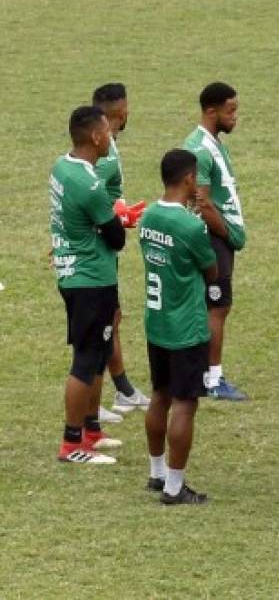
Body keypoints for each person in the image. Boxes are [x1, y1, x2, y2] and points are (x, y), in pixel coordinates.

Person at [51, 106, 141, 463]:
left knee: (98, 352)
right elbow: (116, 238)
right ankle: (72, 444)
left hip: (76, 272)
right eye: (107, 131)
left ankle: (92, 429)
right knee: (86, 359)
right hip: (90, 279)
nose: (110, 137)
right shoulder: (89, 184)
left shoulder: (63, 167)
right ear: (95, 136)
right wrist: (122, 220)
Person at [139, 149, 219, 504]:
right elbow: (211, 269)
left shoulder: (148, 216)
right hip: (186, 327)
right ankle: (174, 487)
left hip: (156, 322)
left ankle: (156, 473)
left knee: (160, 394)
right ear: (188, 179)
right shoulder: (190, 226)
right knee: (185, 404)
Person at [183, 82, 248, 401]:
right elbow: (201, 203)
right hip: (213, 238)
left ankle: (201, 374)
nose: (235, 117)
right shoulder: (200, 150)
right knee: (218, 307)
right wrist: (229, 233)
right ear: (211, 111)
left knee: (210, 305)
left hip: (216, 236)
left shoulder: (209, 143)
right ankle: (213, 378)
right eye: (230, 110)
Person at [92, 83, 151, 420]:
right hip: (96, 249)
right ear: (119, 111)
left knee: (112, 319)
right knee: (103, 322)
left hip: (103, 246)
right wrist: (119, 216)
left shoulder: (107, 143)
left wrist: (121, 211)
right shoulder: (104, 153)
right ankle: (92, 405)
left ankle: (124, 390)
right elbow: (91, 197)